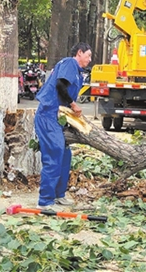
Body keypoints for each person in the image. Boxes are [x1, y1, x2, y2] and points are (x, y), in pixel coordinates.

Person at [35, 42, 92, 210]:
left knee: (65, 155)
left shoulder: (78, 72)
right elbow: (60, 85)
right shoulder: (69, 63)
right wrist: (73, 104)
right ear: (79, 53)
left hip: (60, 117)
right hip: (48, 115)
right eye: (88, 55)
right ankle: (45, 201)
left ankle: (59, 194)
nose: (89, 60)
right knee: (55, 152)